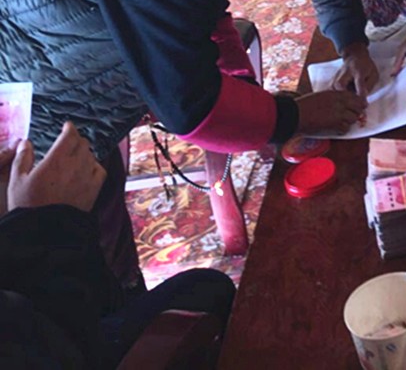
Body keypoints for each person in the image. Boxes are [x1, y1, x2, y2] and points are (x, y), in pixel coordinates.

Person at [0, 0, 366, 285]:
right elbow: (190, 107)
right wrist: (294, 117)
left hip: (36, 1)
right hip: (27, 52)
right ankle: (114, 308)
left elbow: (202, 14)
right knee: (69, 211)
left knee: (95, 181)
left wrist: (254, 101)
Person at [0, 121, 236, 368]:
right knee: (208, 290)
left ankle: (126, 290)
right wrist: (40, 227)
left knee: (203, 287)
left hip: (36, 315)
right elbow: (59, 340)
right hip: (57, 339)